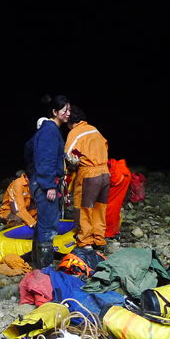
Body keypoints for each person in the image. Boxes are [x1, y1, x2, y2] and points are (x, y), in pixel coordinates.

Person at [24, 95, 70, 269]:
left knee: (44, 222)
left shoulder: (47, 130)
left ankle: (38, 264)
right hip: (45, 184)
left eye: (69, 109)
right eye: (64, 110)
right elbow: (46, 158)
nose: (68, 113)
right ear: (54, 112)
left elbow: (29, 149)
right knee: (48, 225)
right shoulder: (49, 130)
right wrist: (49, 185)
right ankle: (45, 269)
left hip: (41, 180)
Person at [64, 105, 110, 250]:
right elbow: (105, 147)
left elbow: (68, 156)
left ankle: (85, 241)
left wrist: (71, 169)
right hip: (105, 172)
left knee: (84, 208)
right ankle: (99, 239)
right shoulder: (94, 129)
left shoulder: (75, 133)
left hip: (89, 174)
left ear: (70, 121)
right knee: (99, 208)